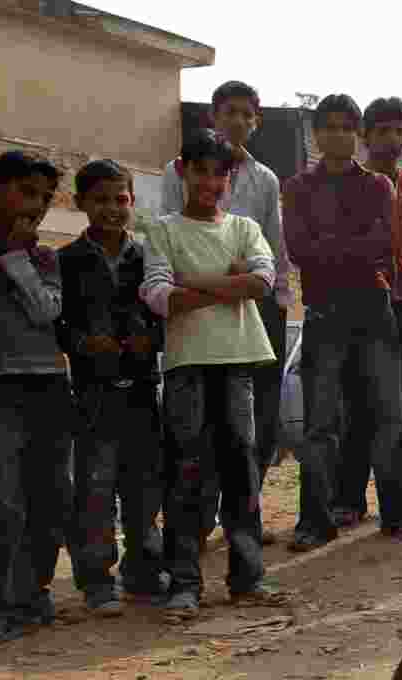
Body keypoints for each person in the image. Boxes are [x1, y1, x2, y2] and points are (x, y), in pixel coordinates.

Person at [141, 129, 287, 621]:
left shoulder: (245, 227)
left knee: (241, 471)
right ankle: (184, 582)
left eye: (219, 173)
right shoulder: (163, 229)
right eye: (200, 170)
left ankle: (248, 579)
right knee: (186, 473)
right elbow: (160, 297)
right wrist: (231, 284)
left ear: (230, 177)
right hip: (186, 365)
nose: (210, 181)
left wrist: (194, 284)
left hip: (238, 362)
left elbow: (263, 281)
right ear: (183, 171)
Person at [160, 80, 292, 548]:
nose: (238, 120)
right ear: (212, 115)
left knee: (252, 426)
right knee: (198, 432)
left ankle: (245, 523)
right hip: (195, 320)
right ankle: (198, 524)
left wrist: (272, 294)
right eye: (229, 111)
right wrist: (230, 275)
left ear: (256, 122)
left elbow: (271, 256)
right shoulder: (177, 172)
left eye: (247, 114)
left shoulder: (266, 179)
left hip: (257, 313)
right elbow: (172, 248)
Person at [282, 95, 402, 551]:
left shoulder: (379, 187)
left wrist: (331, 247)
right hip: (323, 315)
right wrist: (348, 247)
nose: (338, 135)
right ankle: (314, 522)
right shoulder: (298, 187)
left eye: (346, 127)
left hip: (373, 312)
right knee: (320, 425)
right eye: (329, 127)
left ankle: (397, 515)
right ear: (315, 134)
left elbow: (384, 245)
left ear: (356, 135)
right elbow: (299, 251)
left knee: (389, 415)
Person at [0, 150, 73, 643]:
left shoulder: (44, 255)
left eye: (46, 198)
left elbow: (47, 312)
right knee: (5, 498)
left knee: (51, 495)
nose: (38, 206)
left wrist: (17, 256)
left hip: (48, 384)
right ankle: (8, 599)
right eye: (28, 192)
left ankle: (37, 590)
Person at [58, 159, 167, 616]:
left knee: (143, 485)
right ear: (80, 203)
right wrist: (82, 343)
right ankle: (98, 579)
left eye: (120, 199)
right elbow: (56, 322)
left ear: (132, 203)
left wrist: (152, 338)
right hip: (93, 391)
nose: (111, 209)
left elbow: (167, 313)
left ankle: (143, 571)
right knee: (96, 488)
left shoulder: (148, 257)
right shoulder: (66, 260)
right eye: (99, 200)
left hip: (142, 387)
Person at [332, 97, 402, 528]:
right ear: (365, 136)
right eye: (383, 131)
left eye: (400, 131)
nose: (393, 139)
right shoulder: (349, 183)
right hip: (359, 299)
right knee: (358, 401)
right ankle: (349, 499)